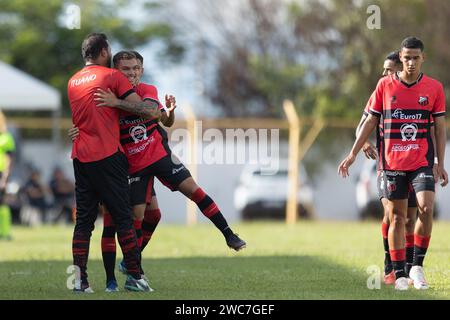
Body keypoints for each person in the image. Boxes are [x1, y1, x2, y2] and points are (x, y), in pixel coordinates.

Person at [71, 50, 246, 292]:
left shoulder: (146, 91)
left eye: (135, 68)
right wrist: (78, 131)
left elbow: (160, 117)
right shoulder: (105, 97)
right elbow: (90, 122)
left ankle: (228, 234)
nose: (132, 73)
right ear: (115, 72)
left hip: (159, 155)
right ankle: (132, 271)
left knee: (194, 191)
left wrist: (170, 113)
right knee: (141, 217)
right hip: (133, 166)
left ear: (141, 70)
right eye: (126, 69)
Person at [338, 37, 448, 290]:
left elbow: (440, 130)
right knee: (396, 218)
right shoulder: (384, 86)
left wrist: (439, 163)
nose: (410, 62)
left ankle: (416, 266)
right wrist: (354, 152)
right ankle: (397, 273)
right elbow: (367, 122)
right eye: (406, 57)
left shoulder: (434, 88)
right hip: (391, 165)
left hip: (421, 162)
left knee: (425, 208)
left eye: (415, 57)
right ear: (401, 57)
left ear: (423, 58)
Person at [68, 33, 161, 293]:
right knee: (123, 217)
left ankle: (80, 281)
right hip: (108, 156)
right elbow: (144, 109)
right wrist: (120, 101)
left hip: (80, 158)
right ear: (103, 52)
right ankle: (135, 276)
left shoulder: (73, 80)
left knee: (84, 222)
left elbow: (82, 120)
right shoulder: (111, 76)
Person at [356, 51, 424, 285]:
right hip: (388, 164)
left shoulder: (416, 92)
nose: (385, 73)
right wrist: (364, 142)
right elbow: (362, 124)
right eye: (383, 69)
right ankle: (390, 264)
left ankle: (408, 266)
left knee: (410, 217)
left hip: (414, 164)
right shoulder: (381, 90)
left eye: (389, 69)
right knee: (392, 214)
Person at [0, 110, 15, 240]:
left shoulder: (6, 138)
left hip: (1, 173)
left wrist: (5, 177)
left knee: (2, 204)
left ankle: (4, 232)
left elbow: (9, 159)